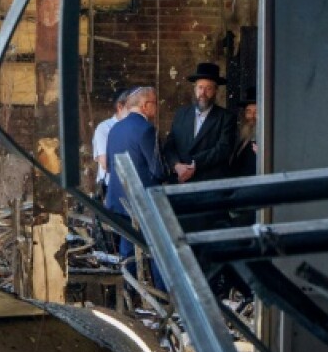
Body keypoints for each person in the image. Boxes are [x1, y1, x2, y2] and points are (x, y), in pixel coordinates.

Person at [104, 86, 168, 290]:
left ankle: (128, 293)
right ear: (144, 105)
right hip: (142, 200)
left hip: (118, 198)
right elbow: (158, 169)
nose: (156, 108)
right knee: (158, 248)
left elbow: (109, 165)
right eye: (155, 103)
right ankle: (163, 295)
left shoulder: (115, 129)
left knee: (127, 248)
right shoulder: (146, 129)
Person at [162, 62, 237, 184]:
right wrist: (176, 165)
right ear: (195, 88)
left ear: (215, 91)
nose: (203, 92)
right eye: (200, 87)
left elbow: (223, 148)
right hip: (181, 181)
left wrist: (194, 164)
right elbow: (170, 145)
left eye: (208, 88)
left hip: (209, 183)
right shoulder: (181, 114)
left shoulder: (226, 117)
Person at [92, 90, 131, 199]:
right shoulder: (104, 128)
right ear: (120, 107)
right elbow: (106, 163)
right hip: (113, 185)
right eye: (131, 107)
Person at [230, 86, 258, 178]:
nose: (251, 116)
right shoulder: (244, 137)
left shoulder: (265, 139)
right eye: (248, 112)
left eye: (256, 112)